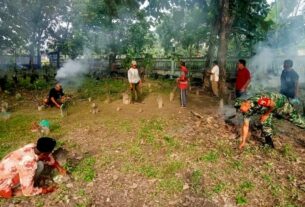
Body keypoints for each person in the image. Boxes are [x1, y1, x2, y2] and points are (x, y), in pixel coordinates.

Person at [0, 137, 67, 198]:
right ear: (44, 153)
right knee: (39, 165)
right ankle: (17, 189)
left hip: (5, 172)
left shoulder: (32, 146)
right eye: (50, 151)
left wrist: (58, 167)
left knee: (39, 163)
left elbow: (47, 155)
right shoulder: (29, 164)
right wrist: (45, 190)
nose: (51, 153)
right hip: (3, 184)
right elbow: (28, 192)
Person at [235, 92, 305, 149]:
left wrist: (266, 114)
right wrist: (243, 142)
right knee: (264, 122)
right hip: (268, 108)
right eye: (237, 108)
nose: (239, 110)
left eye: (240, 107)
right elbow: (245, 126)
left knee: (297, 120)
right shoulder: (246, 111)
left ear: (246, 103)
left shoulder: (258, 100)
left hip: (280, 102)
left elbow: (273, 104)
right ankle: (269, 144)